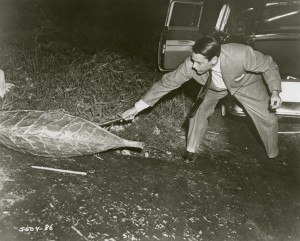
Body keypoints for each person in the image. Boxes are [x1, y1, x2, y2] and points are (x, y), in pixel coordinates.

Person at [122, 36, 282, 161]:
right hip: (213, 86)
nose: (193, 66)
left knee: (268, 118)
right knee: (198, 111)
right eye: (193, 60)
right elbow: (166, 83)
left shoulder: (240, 54)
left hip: (244, 84)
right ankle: (190, 150)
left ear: (213, 61)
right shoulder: (190, 65)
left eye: (198, 63)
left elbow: (269, 65)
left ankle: (273, 153)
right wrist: (137, 108)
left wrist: (275, 91)